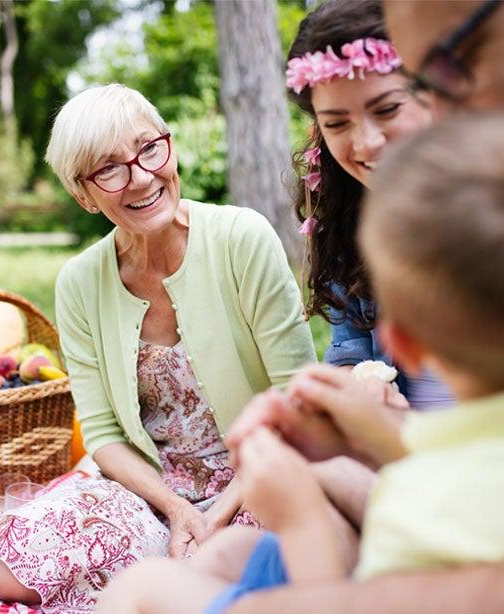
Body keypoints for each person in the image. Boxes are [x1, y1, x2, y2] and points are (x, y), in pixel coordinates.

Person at [97, 112, 504, 614]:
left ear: (404, 343)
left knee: (138, 589)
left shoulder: (428, 514)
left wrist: (300, 514)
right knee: (224, 554)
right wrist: (368, 434)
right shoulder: (467, 450)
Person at [0, 84, 316, 612]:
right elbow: (102, 435)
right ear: (83, 195)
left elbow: (297, 397)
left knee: (256, 556)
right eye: (109, 169)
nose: (142, 176)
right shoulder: (79, 282)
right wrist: (177, 511)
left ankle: (165, 578)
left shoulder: (243, 237)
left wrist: (217, 515)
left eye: (150, 148)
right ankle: (167, 569)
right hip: (150, 492)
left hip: (258, 477)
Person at [286, 0, 453, 409]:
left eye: (388, 109)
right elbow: (350, 353)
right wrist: (356, 388)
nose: (366, 143)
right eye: (337, 123)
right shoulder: (349, 226)